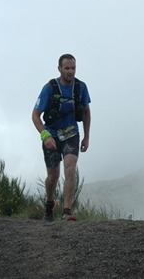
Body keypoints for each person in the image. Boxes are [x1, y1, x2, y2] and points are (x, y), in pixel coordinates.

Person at [32, 53, 91, 222]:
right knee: (53, 177)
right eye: (67, 68)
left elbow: (86, 111)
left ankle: (67, 211)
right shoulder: (49, 88)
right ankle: (50, 204)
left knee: (70, 169)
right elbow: (35, 115)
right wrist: (45, 136)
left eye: (73, 68)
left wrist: (87, 137)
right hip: (51, 134)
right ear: (59, 69)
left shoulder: (81, 88)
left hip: (71, 133)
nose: (70, 71)